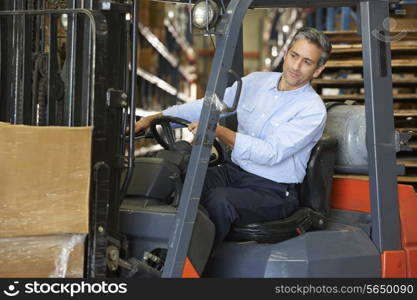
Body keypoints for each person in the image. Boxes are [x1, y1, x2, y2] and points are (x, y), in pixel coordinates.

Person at [135, 27, 332, 245]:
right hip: (235, 172)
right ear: (286, 53)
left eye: (306, 62)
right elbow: (210, 106)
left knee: (220, 202)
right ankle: (156, 249)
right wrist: (156, 118)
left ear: (318, 69)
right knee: (177, 176)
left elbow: (271, 153)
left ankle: (197, 269)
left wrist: (218, 131)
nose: (296, 66)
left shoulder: (312, 110)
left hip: (273, 190)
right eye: (294, 56)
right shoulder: (255, 82)